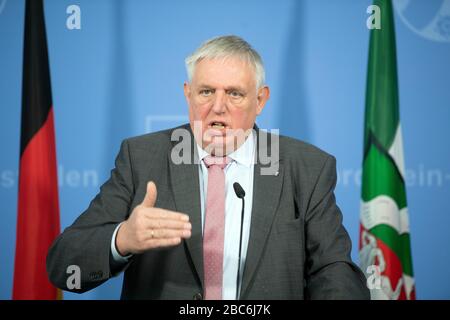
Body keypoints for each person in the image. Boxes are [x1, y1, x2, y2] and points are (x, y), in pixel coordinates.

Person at [47, 35, 369, 300]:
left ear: (260, 101)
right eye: (206, 92)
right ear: (188, 95)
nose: (218, 107)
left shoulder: (306, 167)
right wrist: (122, 239)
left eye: (234, 94)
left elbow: (333, 269)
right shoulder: (142, 158)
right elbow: (63, 263)